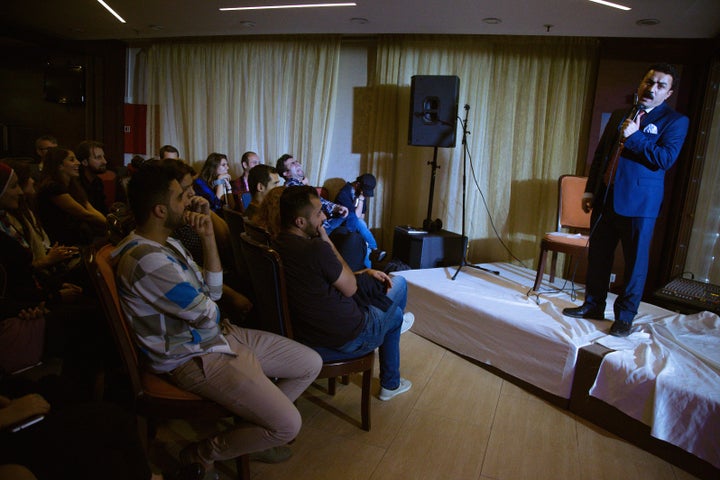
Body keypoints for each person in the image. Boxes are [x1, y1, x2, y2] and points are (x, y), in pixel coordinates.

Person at [114, 161, 322, 478]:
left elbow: (211, 291)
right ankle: (200, 453)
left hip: (216, 336)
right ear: (159, 210)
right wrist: (213, 304)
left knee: (310, 363)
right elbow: (208, 307)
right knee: (288, 424)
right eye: (181, 196)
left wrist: (208, 235)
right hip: (191, 356)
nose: (190, 200)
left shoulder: (167, 243)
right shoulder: (145, 260)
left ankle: (255, 429)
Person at [563, 63, 689, 337]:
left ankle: (624, 318)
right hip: (606, 198)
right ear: (641, 82)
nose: (651, 88)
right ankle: (593, 305)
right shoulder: (622, 114)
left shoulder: (676, 121)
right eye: (648, 81)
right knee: (599, 257)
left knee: (635, 265)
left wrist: (636, 137)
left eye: (660, 85)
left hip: (640, 206)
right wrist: (590, 190)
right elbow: (601, 155)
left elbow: (665, 159)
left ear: (668, 93)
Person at [273, 186, 414, 401]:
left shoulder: (278, 245)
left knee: (393, 317)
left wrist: (365, 271)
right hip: (350, 336)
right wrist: (325, 239)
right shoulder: (316, 249)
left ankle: (391, 378)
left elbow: (329, 277)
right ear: (300, 222)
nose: (325, 216)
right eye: (319, 212)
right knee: (400, 283)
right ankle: (390, 375)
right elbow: (350, 287)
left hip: (310, 330)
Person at [36, 147, 107, 246]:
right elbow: (84, 214)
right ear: (59, 165)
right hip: (61, 243)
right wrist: (110, 225)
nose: (78, 163)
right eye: (72, 160)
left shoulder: (73, 185)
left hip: (77, 237)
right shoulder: (52, 187)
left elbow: (89, 208)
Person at [275, 154, 347, 233]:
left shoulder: (299, 185)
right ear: (286, 173)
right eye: (292, 163)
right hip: (320, 228)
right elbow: (318, 203)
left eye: (296, 162)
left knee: (346, 230)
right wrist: (336, 207)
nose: (298, 164)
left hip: (323, 223)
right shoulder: (292, 186)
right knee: (351, 217)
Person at [335, 173, 386, 267]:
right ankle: (375, 248)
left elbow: (362, 216)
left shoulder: (361, 192)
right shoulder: (343, 194)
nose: (365, 195)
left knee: (366, 245)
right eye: (364, 192)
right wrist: (361, 200)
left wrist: (361, 199)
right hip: (343, 223)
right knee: (360, 224)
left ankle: (368, 271)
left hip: (357, 224)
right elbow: (354, 217)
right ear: (357, 184)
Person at [76, 140, 109, 215]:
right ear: (84, 162)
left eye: (103, 157)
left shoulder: (97, 182)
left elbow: (102, 210)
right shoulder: (76, 183)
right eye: (98, 158)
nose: (104, 161)